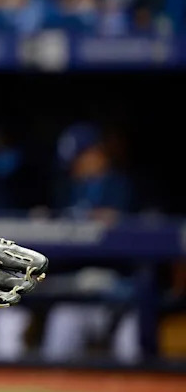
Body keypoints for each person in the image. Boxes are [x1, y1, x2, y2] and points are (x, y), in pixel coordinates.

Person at [41, 122, 140, 363]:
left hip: (120, 294)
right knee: (60, 327)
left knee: (133, 351)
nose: (74, 168)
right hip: (79, 292)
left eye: (80, 159)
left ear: (97, 153)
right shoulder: (68, 189)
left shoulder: (124, 187)